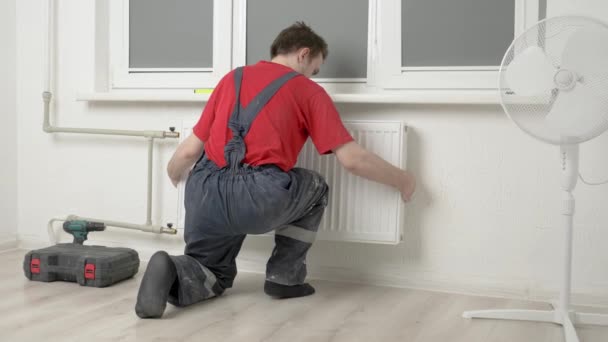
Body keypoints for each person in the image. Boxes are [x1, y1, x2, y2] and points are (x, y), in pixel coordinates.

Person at [135, 22, 416, 319]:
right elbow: (353, 160)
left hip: (204, 191)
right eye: (315, 69)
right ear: (304, 54)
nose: (313, 76)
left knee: (211, 273)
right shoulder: (308, 91)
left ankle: (174, 269)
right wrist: (404, 180)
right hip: (259, 197)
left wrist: (176, 176)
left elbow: (189, 151)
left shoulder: (232, 78)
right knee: (316, 186)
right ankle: (284, 278)